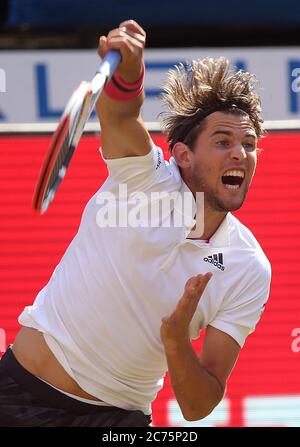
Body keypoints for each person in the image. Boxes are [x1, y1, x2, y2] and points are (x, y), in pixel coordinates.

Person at [0, 19, 271, 427]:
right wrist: (129, 72)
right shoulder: (144, 179)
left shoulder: (248, 267)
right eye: (223, 141)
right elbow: (122, 117)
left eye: (249, 145)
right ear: (182, 155)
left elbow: (200, 404)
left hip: (117, 420)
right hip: (18, 392)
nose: (240, 154)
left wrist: (177, 339)